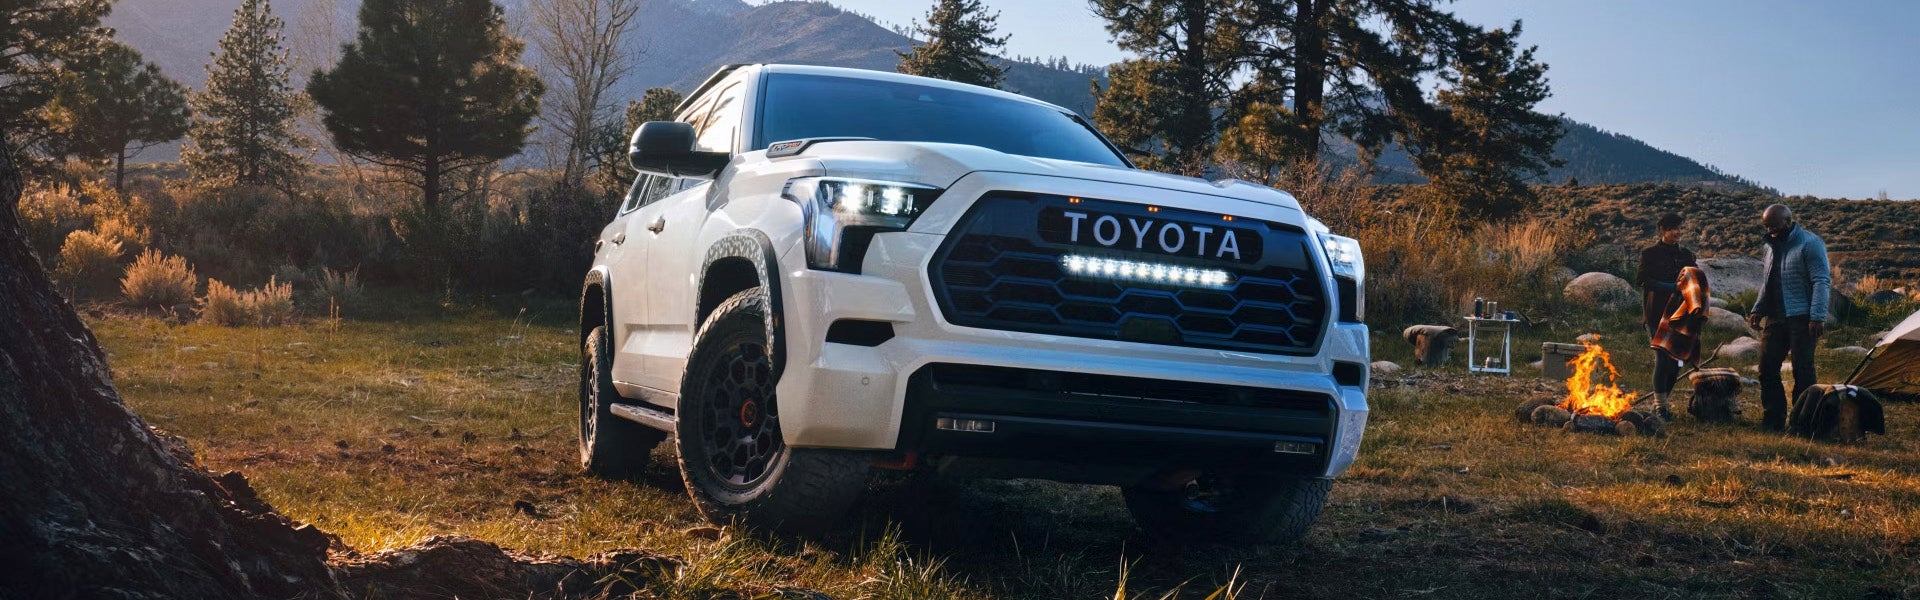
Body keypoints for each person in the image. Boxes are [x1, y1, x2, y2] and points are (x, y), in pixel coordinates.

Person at [1745, 204, 1831, 431]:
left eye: (1774, 225)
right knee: (1766, 368)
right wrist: (1757, 309)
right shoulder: (1770, 247)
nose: (1770, 230)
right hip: (1775, 317)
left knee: (1802, 370)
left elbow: (1821, 281)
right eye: (1766, 226)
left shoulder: (1810, 244)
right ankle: (1773, 420)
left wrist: (1817, 316)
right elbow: (1768, 282)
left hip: (1802, 317)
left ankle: (1803, 423)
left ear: (1788, 221)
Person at [1639, 213, 1696, 419]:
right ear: (1662, 230)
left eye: (1679, 228)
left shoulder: (1687, 256)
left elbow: (1693, 280)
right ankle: (1660, 406)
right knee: (1662, 358)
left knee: (1675, 362)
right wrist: (1671, 287)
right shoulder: (1650, 254)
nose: (1677, 232)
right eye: (1672, 228)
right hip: (1655, 315)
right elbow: (1644, 280)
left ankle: (1661, 404)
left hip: (1680, 316)